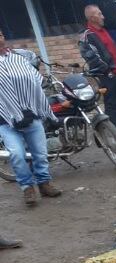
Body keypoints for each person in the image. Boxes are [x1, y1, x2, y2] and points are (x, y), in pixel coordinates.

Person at [0, 30, 62, 206]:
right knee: (18, 155)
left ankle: (44, 184)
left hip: (31, 115)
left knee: (40, 154)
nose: (0, 38)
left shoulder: (18, 58)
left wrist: (40, 107)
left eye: (1, 34)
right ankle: (27, 188)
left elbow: (35, 82)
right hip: (6, 121)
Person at [79, 5, 116, 138]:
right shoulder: (87, 35)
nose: (103, 16)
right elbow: (92, 57)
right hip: (106, 75)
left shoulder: (103, 31)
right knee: (111, 104)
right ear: (92, 17)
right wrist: (108, 70)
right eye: (100, 14)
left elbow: (113, 51)